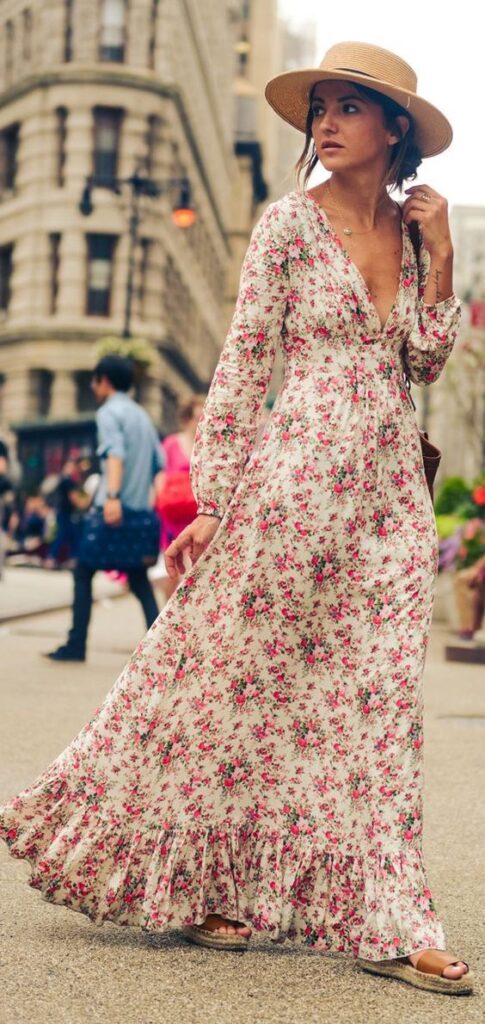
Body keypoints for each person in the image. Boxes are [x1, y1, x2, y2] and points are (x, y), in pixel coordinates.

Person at [0, 42, 473, 997]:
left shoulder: (418, 233)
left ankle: (389, 915)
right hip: (290, 488)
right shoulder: (286, 227)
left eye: (349, 106)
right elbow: (243, 367)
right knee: (226, 695)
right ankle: (203, 881)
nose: (326, 122)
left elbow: (420, 363)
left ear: (394, 130)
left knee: (376, 709)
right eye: (320, 108)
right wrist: (214, 499)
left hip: (385, 504)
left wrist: (445, 258)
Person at [45, 356, 164, 662]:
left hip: (113, 511)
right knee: (138, 578)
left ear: (105, 381)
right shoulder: (142, 416)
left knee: (83, 571)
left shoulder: (110, 412)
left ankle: (76, 644)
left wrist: (112, 496)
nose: (92, 386)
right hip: (138, 513)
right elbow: (158, 466)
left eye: (94, 380)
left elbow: (115, 455)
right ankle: (163, 647)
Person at [155, 395, 205, 602]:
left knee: (196, 571)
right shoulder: (171, 443)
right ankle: (167, 617)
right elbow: (160, 476)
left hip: (197, 517)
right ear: (186, 419)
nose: (201, 421)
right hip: (173, 517)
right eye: (197, 417)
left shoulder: (208, 448)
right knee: (172, 572)